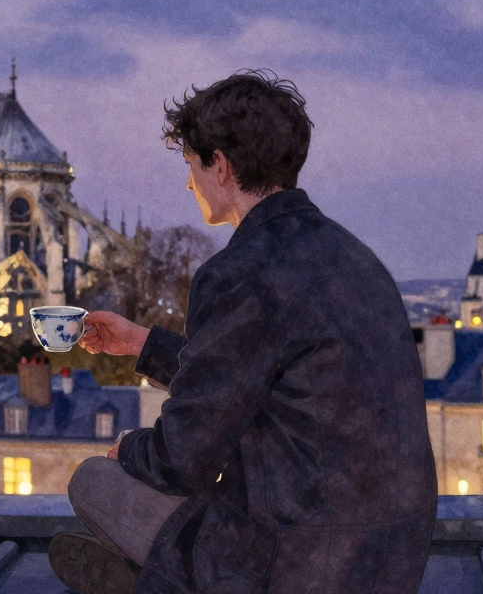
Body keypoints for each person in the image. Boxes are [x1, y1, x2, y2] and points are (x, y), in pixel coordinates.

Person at [49, 71, 437, 594]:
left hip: (297, 565)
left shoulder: (239, 271)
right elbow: (262, 375)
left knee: (94, 481)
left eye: (191, 165)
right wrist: (142, 344)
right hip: (392, 557)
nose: (189, 184)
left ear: (221, 166)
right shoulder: (354, 256)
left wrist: (129, 449)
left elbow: (182, 461)